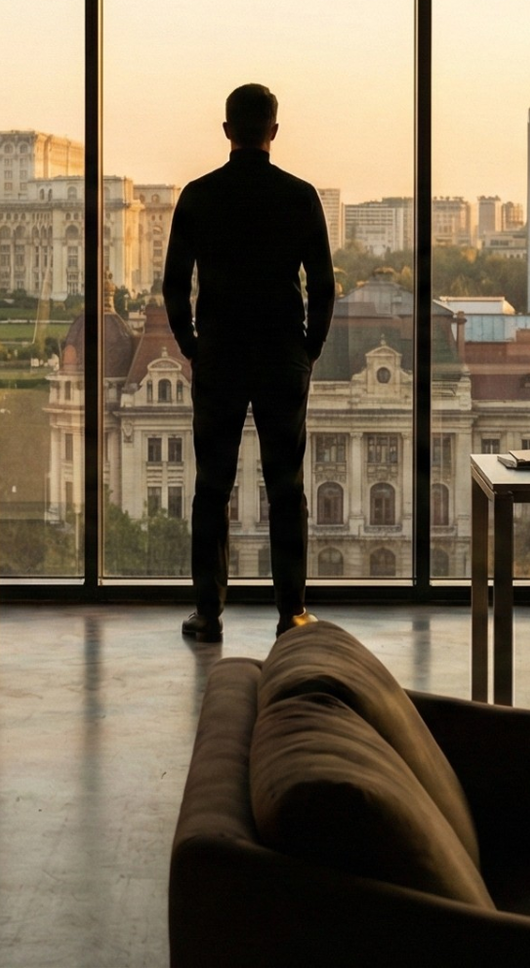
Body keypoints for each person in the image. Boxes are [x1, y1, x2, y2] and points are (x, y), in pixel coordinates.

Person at [162, 83, 336, 642]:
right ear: (274, 131)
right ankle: (292, 612)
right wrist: (308, 348)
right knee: (285, 486)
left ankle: (209, 613)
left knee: (213, 486)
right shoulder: (301, 196)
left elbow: (173, 285)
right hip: (282, 353)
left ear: (227, 130)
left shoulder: (198, 196)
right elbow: (325, 287)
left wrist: (192, 345)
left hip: (220, 354)